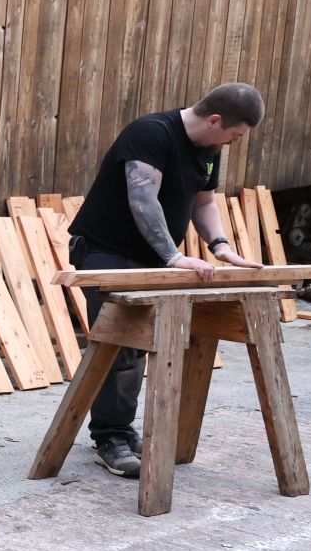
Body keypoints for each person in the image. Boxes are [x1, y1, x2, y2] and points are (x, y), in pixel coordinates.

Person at [67, 83, 264, 479]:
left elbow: (203, 201)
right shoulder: (151, 134)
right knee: (120, 346)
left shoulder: (209, 149)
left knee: (137, 348)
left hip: (147, 259)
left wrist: (220, 246)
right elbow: (143, 198)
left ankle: (117, 428)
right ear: (214, 120)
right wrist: (173, 257)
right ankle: (110, 439)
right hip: (105, 252)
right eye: (235, 135)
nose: (234, 142)